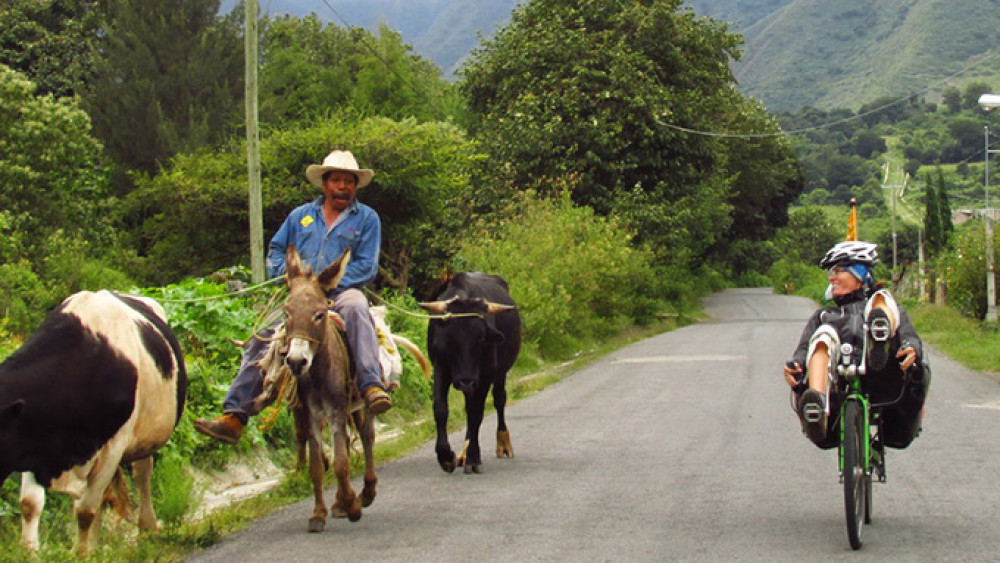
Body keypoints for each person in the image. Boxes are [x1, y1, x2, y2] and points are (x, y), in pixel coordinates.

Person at [194, 150, 392, 444]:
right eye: (336, 180)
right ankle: (235, 416)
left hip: (341, 291)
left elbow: (366, 265)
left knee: (357, 310)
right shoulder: (300, 217)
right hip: (299, 294)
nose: (342, 187)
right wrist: (288, 277)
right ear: (324, 184)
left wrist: (325, 285)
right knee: (262, 335)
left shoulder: (366, 218)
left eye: (348, 181)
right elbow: (276, 248)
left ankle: (371, 384)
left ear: (355, 186)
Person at [783, 241, 930, 449]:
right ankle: (817, 406)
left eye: (839, 271)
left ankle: (879, 334)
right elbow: (804, 348)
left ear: (860, 274)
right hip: (836, 384)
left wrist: (911, 347)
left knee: (882, 298)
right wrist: (796, 364)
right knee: (823, 336)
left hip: (886, 378)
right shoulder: (825, 315)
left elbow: (909, 334)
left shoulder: (886, 307)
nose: (831, 278)